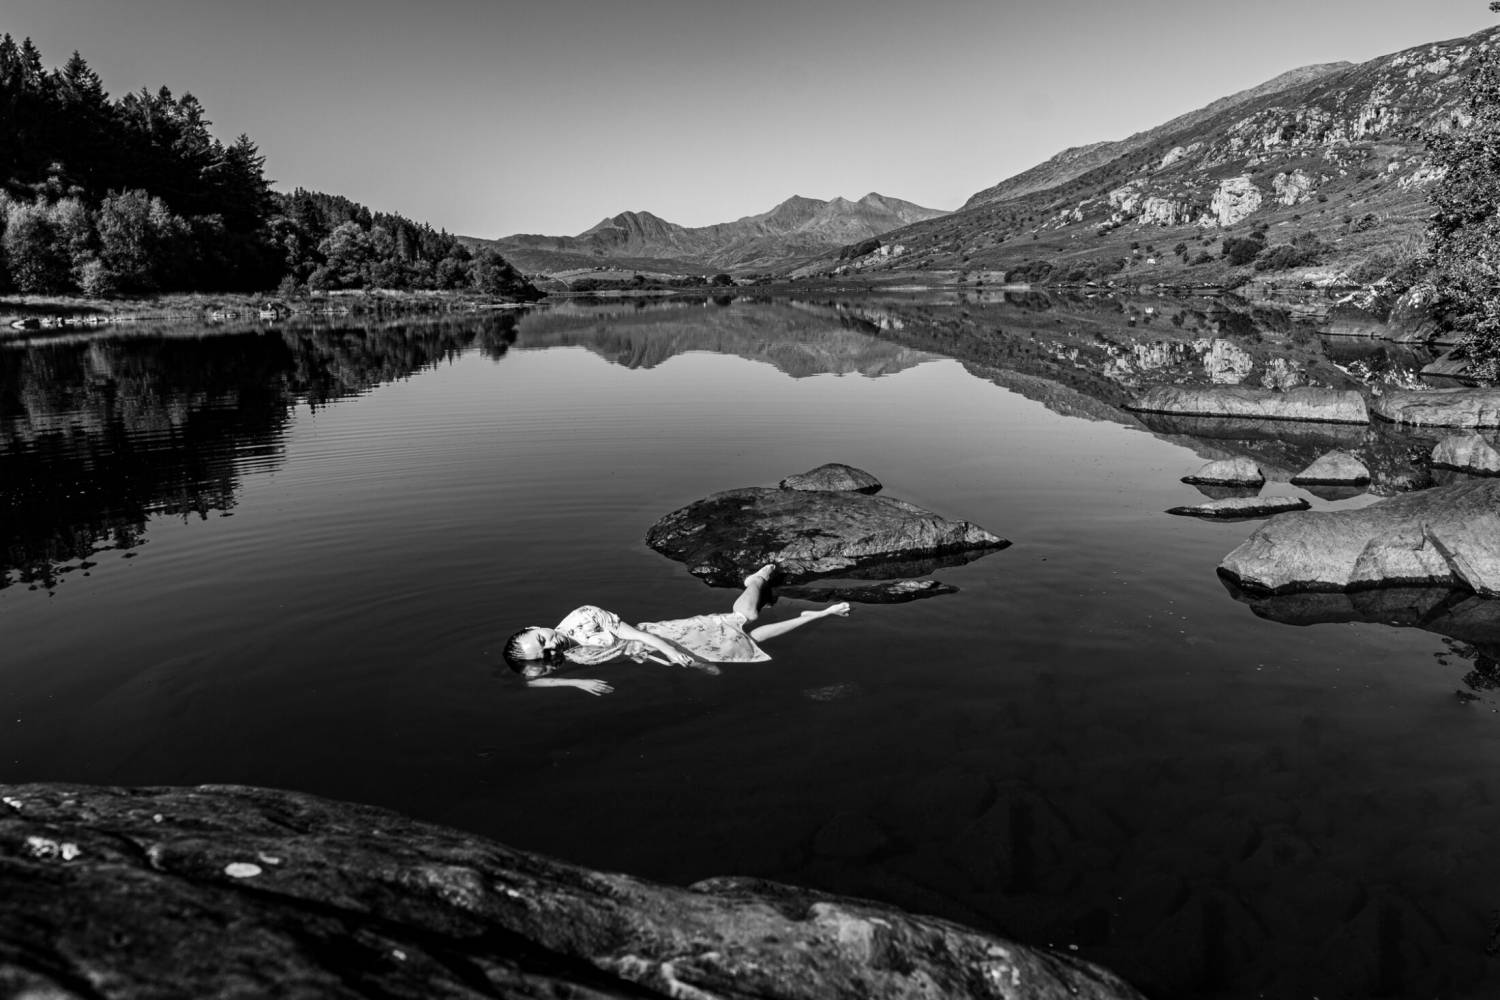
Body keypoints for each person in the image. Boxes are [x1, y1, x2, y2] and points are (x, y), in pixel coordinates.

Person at [503, 565, 850, 695]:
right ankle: (814, 616)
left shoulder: (585, 615)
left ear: (536, 626)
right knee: (747, 642)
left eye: (542, 639)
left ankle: (756, 579)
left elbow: (640, 636)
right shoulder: (558, 657)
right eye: (545, 654)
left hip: (667, 638)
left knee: (740, 623)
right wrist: (576, 682)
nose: (551, 648)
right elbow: (533, 679)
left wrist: (678, 655)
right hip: (652, 655)